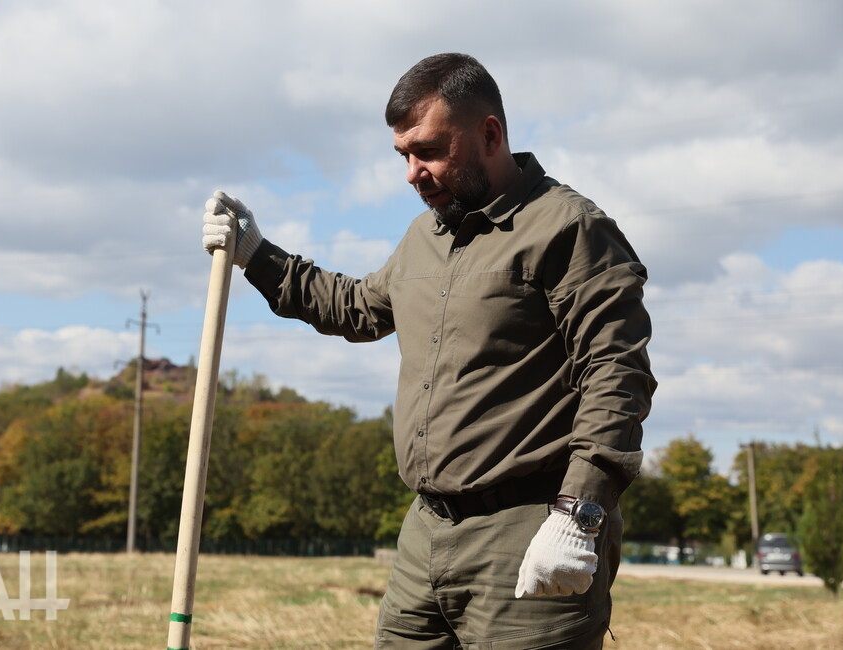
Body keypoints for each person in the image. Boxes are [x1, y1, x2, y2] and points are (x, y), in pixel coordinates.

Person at [201, 53, 656, 649]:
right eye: (404, 156)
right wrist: (257, 255)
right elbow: (356, 307)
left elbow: (617, 373)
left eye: (430, 151)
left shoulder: (568, 227)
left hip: (530, 528)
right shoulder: (426, 235)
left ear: (489, 134)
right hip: (425, 534)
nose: (414, 173)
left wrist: (579, 512)